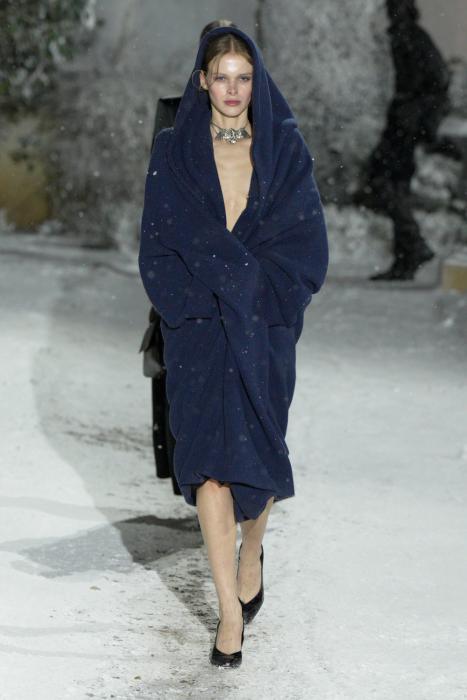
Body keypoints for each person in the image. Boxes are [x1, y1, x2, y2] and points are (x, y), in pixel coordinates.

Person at [138, 26, 328, 667]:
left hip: (263, 328)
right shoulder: (174, 151)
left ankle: (253, 553)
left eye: (243, 77)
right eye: (221, 76)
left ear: (256, 82)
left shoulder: (285, 148)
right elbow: (157, 245)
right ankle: (227, 613)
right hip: (198, 332)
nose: (232, 88)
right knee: (208, 470)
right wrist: (191, 308)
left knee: (259, 458)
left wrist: (267, 301)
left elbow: (307, 244)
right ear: (202, 81)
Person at [139, 20, 237, 500]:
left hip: (242, 289)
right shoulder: (174, 121)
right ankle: (198, 486)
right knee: (184, 392)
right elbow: (158, 209)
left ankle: (227, 495)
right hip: (186, 282)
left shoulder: (268, 125)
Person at [355, 0, 451, 281]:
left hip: (404, 126)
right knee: (390, 184)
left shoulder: (411, 37)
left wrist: (420, 121)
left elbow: (438, 80)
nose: (390, 12)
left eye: (395, 7)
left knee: (385, 181)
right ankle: (407, 254)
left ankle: (413, 248)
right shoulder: (403, 37)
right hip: (400, 122)